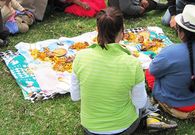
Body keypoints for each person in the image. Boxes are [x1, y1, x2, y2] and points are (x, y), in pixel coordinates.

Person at [70, 7, 177, 135]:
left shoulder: (80, 57)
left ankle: (150, 116)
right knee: (143, 97)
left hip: (91, 128)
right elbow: (140, 103)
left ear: (97, 30)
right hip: (125, 127)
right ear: (122, 32)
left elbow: (75, 97)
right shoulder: (132, 63)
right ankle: (151, 115)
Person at [146, 5, 195, 120]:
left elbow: (153, 71)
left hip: (178, 105)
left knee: (149, 73)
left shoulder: (169, 52)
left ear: (181, 32)